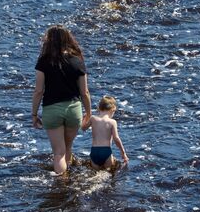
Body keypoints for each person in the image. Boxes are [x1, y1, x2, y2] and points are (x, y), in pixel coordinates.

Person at [32, 25, 91, 174]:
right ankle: (67, 179)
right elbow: (84, 92)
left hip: (52, 110)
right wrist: (88, 113)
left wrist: (34, 114)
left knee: (58, 153)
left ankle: (60, 184)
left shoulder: (44, 61)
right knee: (68, 147)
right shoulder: (77, 61)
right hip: (73, 109)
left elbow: (39, 90)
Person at [81, 95, 129, 170]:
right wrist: (123, 153)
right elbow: (116, 139)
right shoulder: (112, 122)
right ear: (113, 109)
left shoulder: (93, 118)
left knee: (95, 173)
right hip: (106, 151)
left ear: (99, 108)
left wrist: (84, 119)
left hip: (94, 151)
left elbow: (83, 128)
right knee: (107, 173)